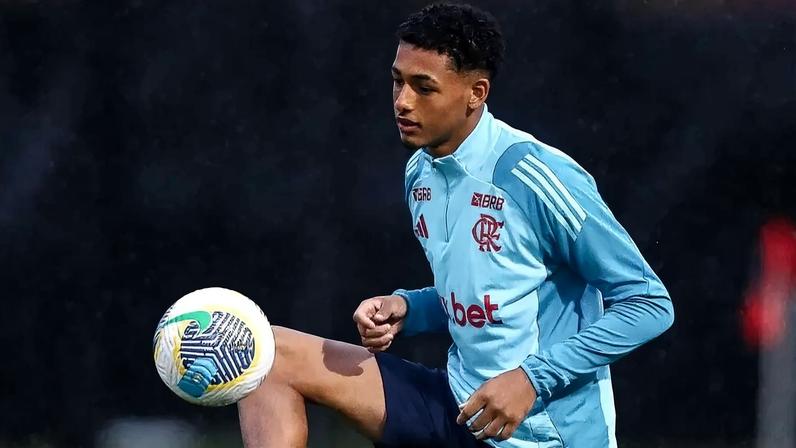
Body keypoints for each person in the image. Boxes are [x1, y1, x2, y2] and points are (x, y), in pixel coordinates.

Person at [238, 3, 675, 447]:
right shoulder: (419, 174)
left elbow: (648, 303)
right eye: (397, 81)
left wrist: (531, 379)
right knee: (263, 354)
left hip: (541, 434)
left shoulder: (536, 177)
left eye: (423, 87)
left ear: (476, 93)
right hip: (456, 406)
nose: (402, 102)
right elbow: (488, 297)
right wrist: (408, 309)